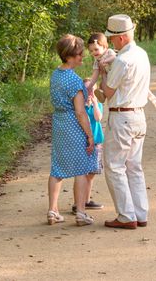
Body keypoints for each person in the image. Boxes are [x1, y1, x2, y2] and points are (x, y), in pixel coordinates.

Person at [101, 14, 151, 229]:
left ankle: (126, 215)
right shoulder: (141, 54)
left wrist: (103, 71)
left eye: (112, 38)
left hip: (122, 116)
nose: (111, 42)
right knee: (134, 166)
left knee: (114, 166)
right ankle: (140, 213)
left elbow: (108, 92)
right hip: (139, 115)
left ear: (120, 38)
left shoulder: (122, 60)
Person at [47, 34, 97, 227]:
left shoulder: (55, 75)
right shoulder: (74, 80)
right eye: (79, 55)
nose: (82, 58)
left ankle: (53, 210)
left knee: (57, 168)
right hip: (73, 125)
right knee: (82, 169)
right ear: (69, 56)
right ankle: (81, 213)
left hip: (58, 123)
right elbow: (80, 112)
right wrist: (89, 134)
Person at [88, 32, 156, 109]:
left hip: (115, 76)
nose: (94, 52)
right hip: (109, 78)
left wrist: (105, 61)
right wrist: (90, 85)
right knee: (101, 85)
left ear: (105, 47)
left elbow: (114, 57)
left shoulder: (109, 53)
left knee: (145, 91)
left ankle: (155, 101)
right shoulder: (97, 61)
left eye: (96, 49)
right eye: (91, 51)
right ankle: (102, 95)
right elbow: (95, 75)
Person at [72, 78, 104, 214]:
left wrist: (95, 103)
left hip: (96, 141)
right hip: (83, 141)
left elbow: (98, 118)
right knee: (81, 173)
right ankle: (77, 203)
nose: (89, 92)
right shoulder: (79, 105)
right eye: (86, 89)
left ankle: (86, 200)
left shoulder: (96, 104)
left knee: (91, 173)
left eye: (91, 89)